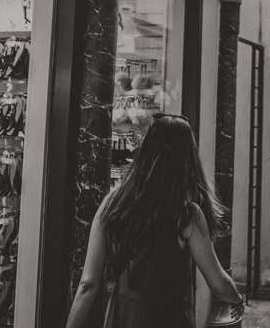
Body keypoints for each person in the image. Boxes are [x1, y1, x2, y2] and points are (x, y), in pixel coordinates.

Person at [66, 114, 243, 328]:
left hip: (119, 319)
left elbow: (87, 285)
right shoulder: (186, 214)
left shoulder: (111, 204)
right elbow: (218, 283)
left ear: (146, 151)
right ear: (188, 159)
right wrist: (238, 300)